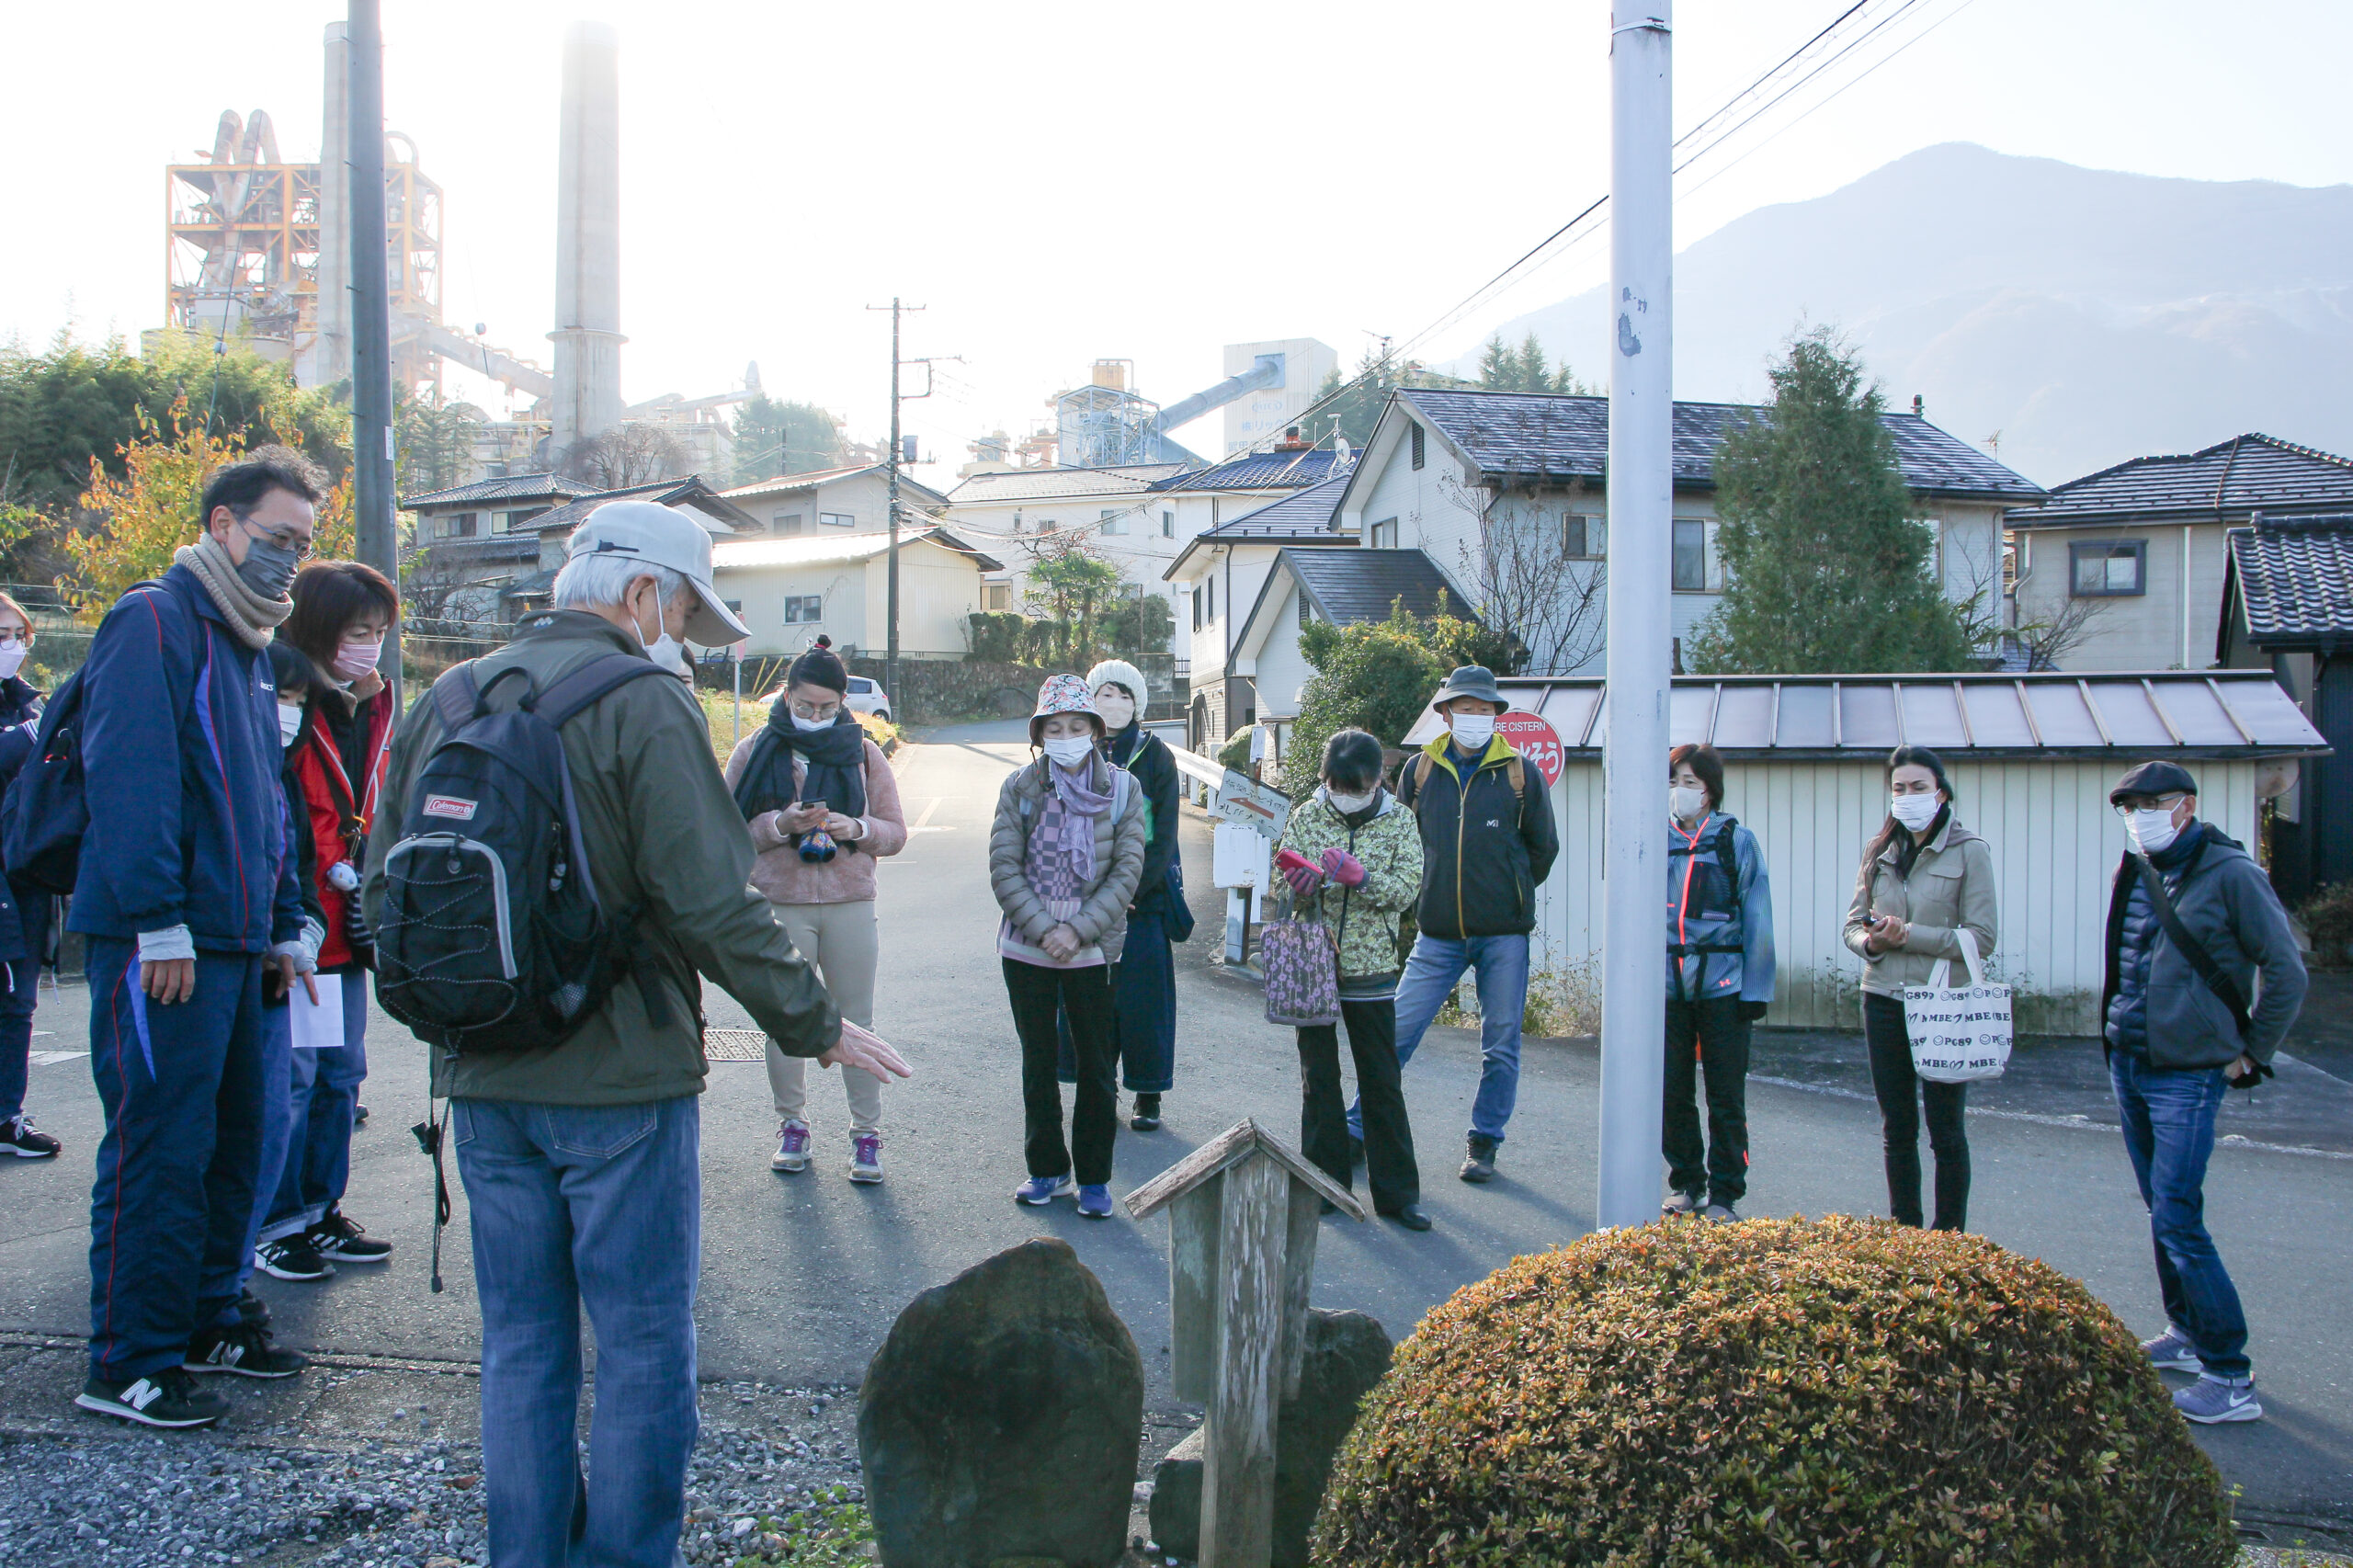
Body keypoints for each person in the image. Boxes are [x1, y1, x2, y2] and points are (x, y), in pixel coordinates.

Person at [367, 501, 911, 1567]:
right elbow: (711, 903)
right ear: (639, 593)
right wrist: (814, 1024)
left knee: (522, 1345)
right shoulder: (643, 700)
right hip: (621, 1082)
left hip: (481, 1069)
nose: (680, 641)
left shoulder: (447, 695)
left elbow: (385, 891)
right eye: (679, 615)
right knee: (642, 1347)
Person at [73, 449, 323, 1429]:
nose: (289, 562)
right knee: (160, 1145)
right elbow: (127, 771)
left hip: (235, 942)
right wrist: (156, 917)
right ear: (222, 524)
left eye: (302, 545)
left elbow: (265, 800)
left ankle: (209, 1315)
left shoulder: (248, 640)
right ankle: (128, 1356)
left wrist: (286, 919)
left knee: (239, 1139)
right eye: (275, 539)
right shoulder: (154, 617)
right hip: (165, 941)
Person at [2100, 760, 2305, 1426]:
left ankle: (2230, 1373)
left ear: (2185, 807)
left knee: (2180, 1216)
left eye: (2150, 804)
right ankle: (2186, 1332)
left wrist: (2252, 1054)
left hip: (2189, 1072)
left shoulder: (2232, 874)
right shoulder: (2140, 868)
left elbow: (2287, 971)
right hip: (2131, 1059)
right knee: (2161, 1207)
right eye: (2128, 806)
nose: (2138, 817)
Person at [1351, 665, 1558, 1184]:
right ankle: (1356, 1129)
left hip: (1503, 935)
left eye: (1485, 710)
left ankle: (1484, 1142)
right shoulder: (1420, 771)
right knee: (1395, 1033)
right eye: (1466, 708)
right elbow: (1398, 840)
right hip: (1437, 932)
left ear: (1496, 717)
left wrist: (1507, 892)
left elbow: (1543, 848)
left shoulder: (1519, 774)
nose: (1475, 717)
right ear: (1445, 713)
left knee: (1501, 1042)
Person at [251, 561, 399, 1280]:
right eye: (356, 631)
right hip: (298, 932)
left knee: (341, 1077)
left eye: (378, 632)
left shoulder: (372, 705)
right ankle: (276, 1223)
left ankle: (320, 1209)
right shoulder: (280, 698)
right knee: (295, 1080)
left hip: (351, 927)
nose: (369, 646)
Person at [724, 645, 907, 1181]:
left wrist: (859, 829)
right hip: (780, 902)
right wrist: (780, 825)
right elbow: (727, 832)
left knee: (858, 1021)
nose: (815, 716)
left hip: (850, 900)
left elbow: (895, 832)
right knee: (785, 1023)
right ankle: (792, 1126)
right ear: (786, 695)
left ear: (842, 704)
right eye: (805, 705)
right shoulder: (753, 749)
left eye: (827, 708)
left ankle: (866, 1136)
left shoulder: (864, 753)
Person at [990, 673, 1146, 1221]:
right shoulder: (1019, 787)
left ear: (1095, 730)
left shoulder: (1125, 789)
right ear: (1039, 733)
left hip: (1094, 948)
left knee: (1097, 1064)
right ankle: (1047, 1169)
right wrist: (1043, 928)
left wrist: (1077, 930)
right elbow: (1004, 866)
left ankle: (1096, 1178)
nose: (1066, 735)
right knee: (1038, 1060)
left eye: (1076, 725)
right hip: (1027, 947)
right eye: (1054, 727)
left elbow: (1129, 869)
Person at [1275, 729, 1428, 1230]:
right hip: (1312, 961)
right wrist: (1298, 884)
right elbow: (1285, 876)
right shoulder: (1306, 814)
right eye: (1335, 784)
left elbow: (1407, 890)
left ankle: (1398, 1196)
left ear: (1377, 779)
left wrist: (1361, 878)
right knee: (1318, 1078)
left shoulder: (1401, 820)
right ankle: (1325, 1185)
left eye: (1354, 785)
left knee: (1381, 1078)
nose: (1343, 793)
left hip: (1373, 966)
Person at [1841, 744, 1997, 1233]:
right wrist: (1872, 941)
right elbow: (1851, 925)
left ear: (1941, 793)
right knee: (1897, 1128)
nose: (1908, 797)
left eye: (1919, 787)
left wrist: (1909, 935)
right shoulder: (1878, 851)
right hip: (1883, 998)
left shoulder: (1970, 850)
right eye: (1899, 789)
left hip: (1944, 1004)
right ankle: (1904, 1233)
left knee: (1946, 1130)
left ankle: (1949, 1238)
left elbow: (1983, 937)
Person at [1057, 659, 1182, 1131]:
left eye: (1125, 696)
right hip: (1085, 900)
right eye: (1105, 694)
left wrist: (1127, 890)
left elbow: (1164, 837)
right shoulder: (1074, 754)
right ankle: (1098, 1087)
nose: (1115, 704)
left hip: (1143, 900)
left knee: (1145, 1002)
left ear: (1138, 705)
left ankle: (1148, 1093)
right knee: (1092, 999)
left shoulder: (1156, 756)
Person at [1661, 743, 1774, 1221]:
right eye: (1673, 782)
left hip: (1724, 986)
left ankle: (1726, 1193)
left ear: (1709, 792)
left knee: (1726, 1093)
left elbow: (1758, 914)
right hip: (1667, 987)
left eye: (1690, 783)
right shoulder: (1652, 839)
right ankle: (1688, 1181)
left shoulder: (1736, 840)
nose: (1680, 792)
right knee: (1671, 1090)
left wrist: (1757, 990)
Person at [0, 590, 61, 1159]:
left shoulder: (29, 706)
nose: (11, 646)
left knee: (18, 1000)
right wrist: (18, 744)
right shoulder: (25, 724)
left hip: (23, 876)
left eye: (17, 636)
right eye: (1, 636)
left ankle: (6, 1115)